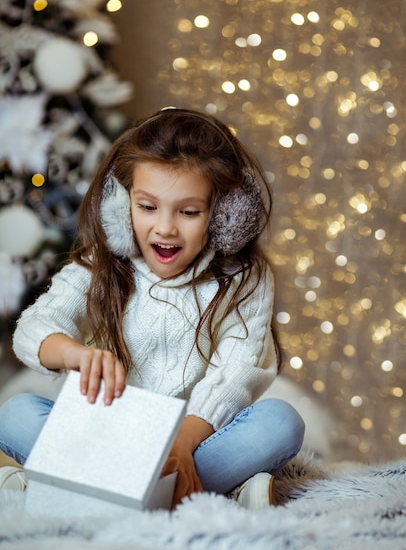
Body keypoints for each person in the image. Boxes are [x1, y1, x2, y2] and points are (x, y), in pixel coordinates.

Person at [0, 107, 305, 509]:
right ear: (121, 207)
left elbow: (235, 374)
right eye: (147, 207)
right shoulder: (101, 263)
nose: (165, 227)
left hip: (195, 439)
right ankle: (205, 493)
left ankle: (73, 483)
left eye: (189, 211)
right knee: (16, 412)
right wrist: (72, 352)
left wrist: (180, 442)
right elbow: (36, 326)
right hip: (106, 434)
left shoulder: (245, 279)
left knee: (281, 423)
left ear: (224, 215)